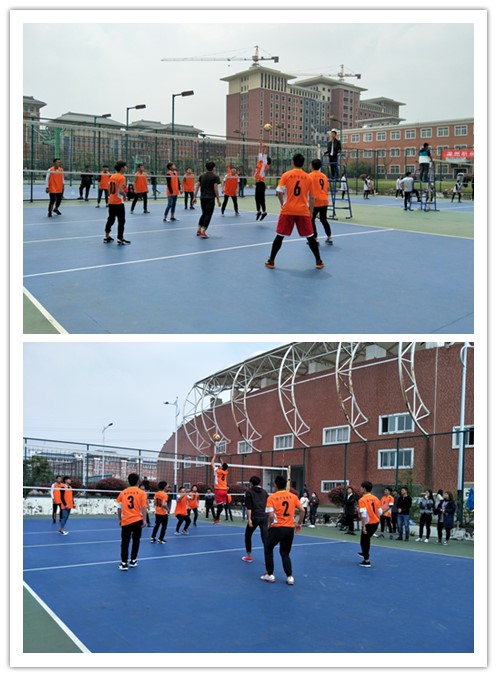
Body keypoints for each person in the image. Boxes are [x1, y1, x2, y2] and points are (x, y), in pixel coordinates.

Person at [265, 153, 324, 270]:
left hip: (288, 210)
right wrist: (311, 211)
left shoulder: (286, 175)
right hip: (303, 211)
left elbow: (279, 192)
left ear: (292, 162)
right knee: (310, 237)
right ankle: (318, 261)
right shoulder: (309, 178)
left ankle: (271, 261)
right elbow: (312, 197)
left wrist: (282, 203)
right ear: (303, 163)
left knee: (279, 236)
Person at [260, 475, 304, 585]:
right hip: (289, 529)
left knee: (268, 549)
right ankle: (290, 577)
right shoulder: (293, 496)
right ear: (285, 485)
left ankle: (270, 575)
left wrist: (269, 524)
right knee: (285, 553)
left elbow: (271, 516)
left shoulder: (271, 498)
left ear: (275, 485)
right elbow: (302, 510)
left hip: (277, 528)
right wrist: (299, 523)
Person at [116, 472, 148, 570]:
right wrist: (144, 520)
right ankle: (133, 560)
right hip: (137, 520)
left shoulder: (123, 492)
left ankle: (124, 563)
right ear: (138, 481)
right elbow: (143, 507)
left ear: (128, 481)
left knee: (125, 542)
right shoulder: (142, 493)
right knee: (136, 541)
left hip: (126, 521)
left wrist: (119, 519)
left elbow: (119, 508)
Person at [103, 160, 130, 245]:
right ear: (122, 168)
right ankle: (120, 238)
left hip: (111, 201)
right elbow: (121, 191)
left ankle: (106, 236)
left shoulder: (112, 176)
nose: (126, 168)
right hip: (118, 202)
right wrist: (126, 195)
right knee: (121, 220)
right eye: (125, 166)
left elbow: (109, 189)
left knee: (111, 219)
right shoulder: (121, 177)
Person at [242, 475, 268, 562]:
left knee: (248, 535)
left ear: (251, 483)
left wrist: (249, 519)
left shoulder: (249, 492)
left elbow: (249, 507)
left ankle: (249, 556)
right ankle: (267, 560)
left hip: (255, 516)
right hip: (264, 516)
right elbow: (268, 505)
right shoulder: (264, 492)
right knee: (265, 538)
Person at [193, 161, 221, 238]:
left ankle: (199, 229)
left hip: (202, 198)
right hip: (210, 198)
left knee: (204, 213)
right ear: (213, 168)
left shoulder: (202, 176)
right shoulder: (215, 177)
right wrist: (218, 199)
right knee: (208, 214)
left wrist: (194, 197)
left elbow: (197, 186)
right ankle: (203, 231)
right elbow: (215, 188)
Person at [357, 480, 382, 568]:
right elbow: (380, 512)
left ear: (364, 489)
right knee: (366, 540)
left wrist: (363, 526)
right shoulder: (376, 498)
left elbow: (364, 514)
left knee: (364, 541)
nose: (360, 489)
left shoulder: (362, 500)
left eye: (361, 487)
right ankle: (364, 552)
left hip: (368, 523)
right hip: (376, 522)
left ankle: (366, 560)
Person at [309, 158, 333, 244]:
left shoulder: (310, 176)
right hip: (324, 200)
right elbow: (327, 188)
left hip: (315, 201)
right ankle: (329, 237)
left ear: (312, 166)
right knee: (323, 219)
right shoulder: (324, 176)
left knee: (311, 219)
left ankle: (315, 238)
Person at [254, 144, 271, 220]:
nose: (263, 157)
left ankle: (264, 212)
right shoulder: (259, 162)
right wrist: (260, 145)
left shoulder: (265, 165)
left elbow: (264, 154)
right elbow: (260, 153)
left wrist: (266, 148)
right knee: (256, 198)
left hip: (261, 184)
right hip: (257, 183)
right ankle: (258, 211)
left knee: (261, 199)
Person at [211, 453, 229, 523]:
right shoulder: (226, 472)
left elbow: (212, 464)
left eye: (221, 465)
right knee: (222, 505)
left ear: (222, 467)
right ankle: (217, 518)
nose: (220, 465)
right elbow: (224, 465)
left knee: (219, 505)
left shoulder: (218, 471)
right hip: (225, 491)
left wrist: (214, 456)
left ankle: (217, 518)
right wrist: (220, 459)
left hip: (219, 490)